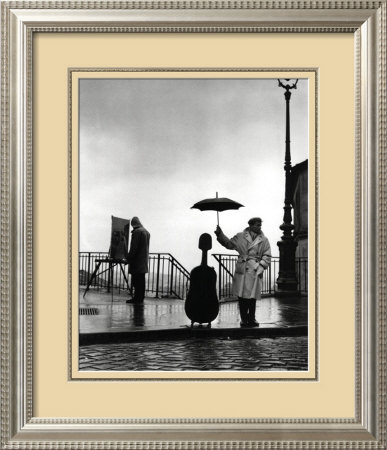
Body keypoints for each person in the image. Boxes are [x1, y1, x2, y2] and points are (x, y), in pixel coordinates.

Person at [215, 217, 271, 327]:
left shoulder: (264, 239)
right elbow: (229, 244)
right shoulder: (240, 236)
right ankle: (244, 319)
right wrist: (220, 234)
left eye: (260, 225)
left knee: (252, 297)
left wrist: (261, 266)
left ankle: (252, 318)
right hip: (243, 269)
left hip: (255, 270)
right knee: (242, 296)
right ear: (250, 225)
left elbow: (267, 255)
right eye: (257, 225)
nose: (259, 227)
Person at [126, 217, 150, 304]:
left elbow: (134, 248)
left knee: (136, 281)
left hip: (136, 261)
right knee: (141, 281)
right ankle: (140, 298)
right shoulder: (146, 232)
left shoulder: (137, 232)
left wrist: (128, 258)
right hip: (143, 261)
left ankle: (136, 298)